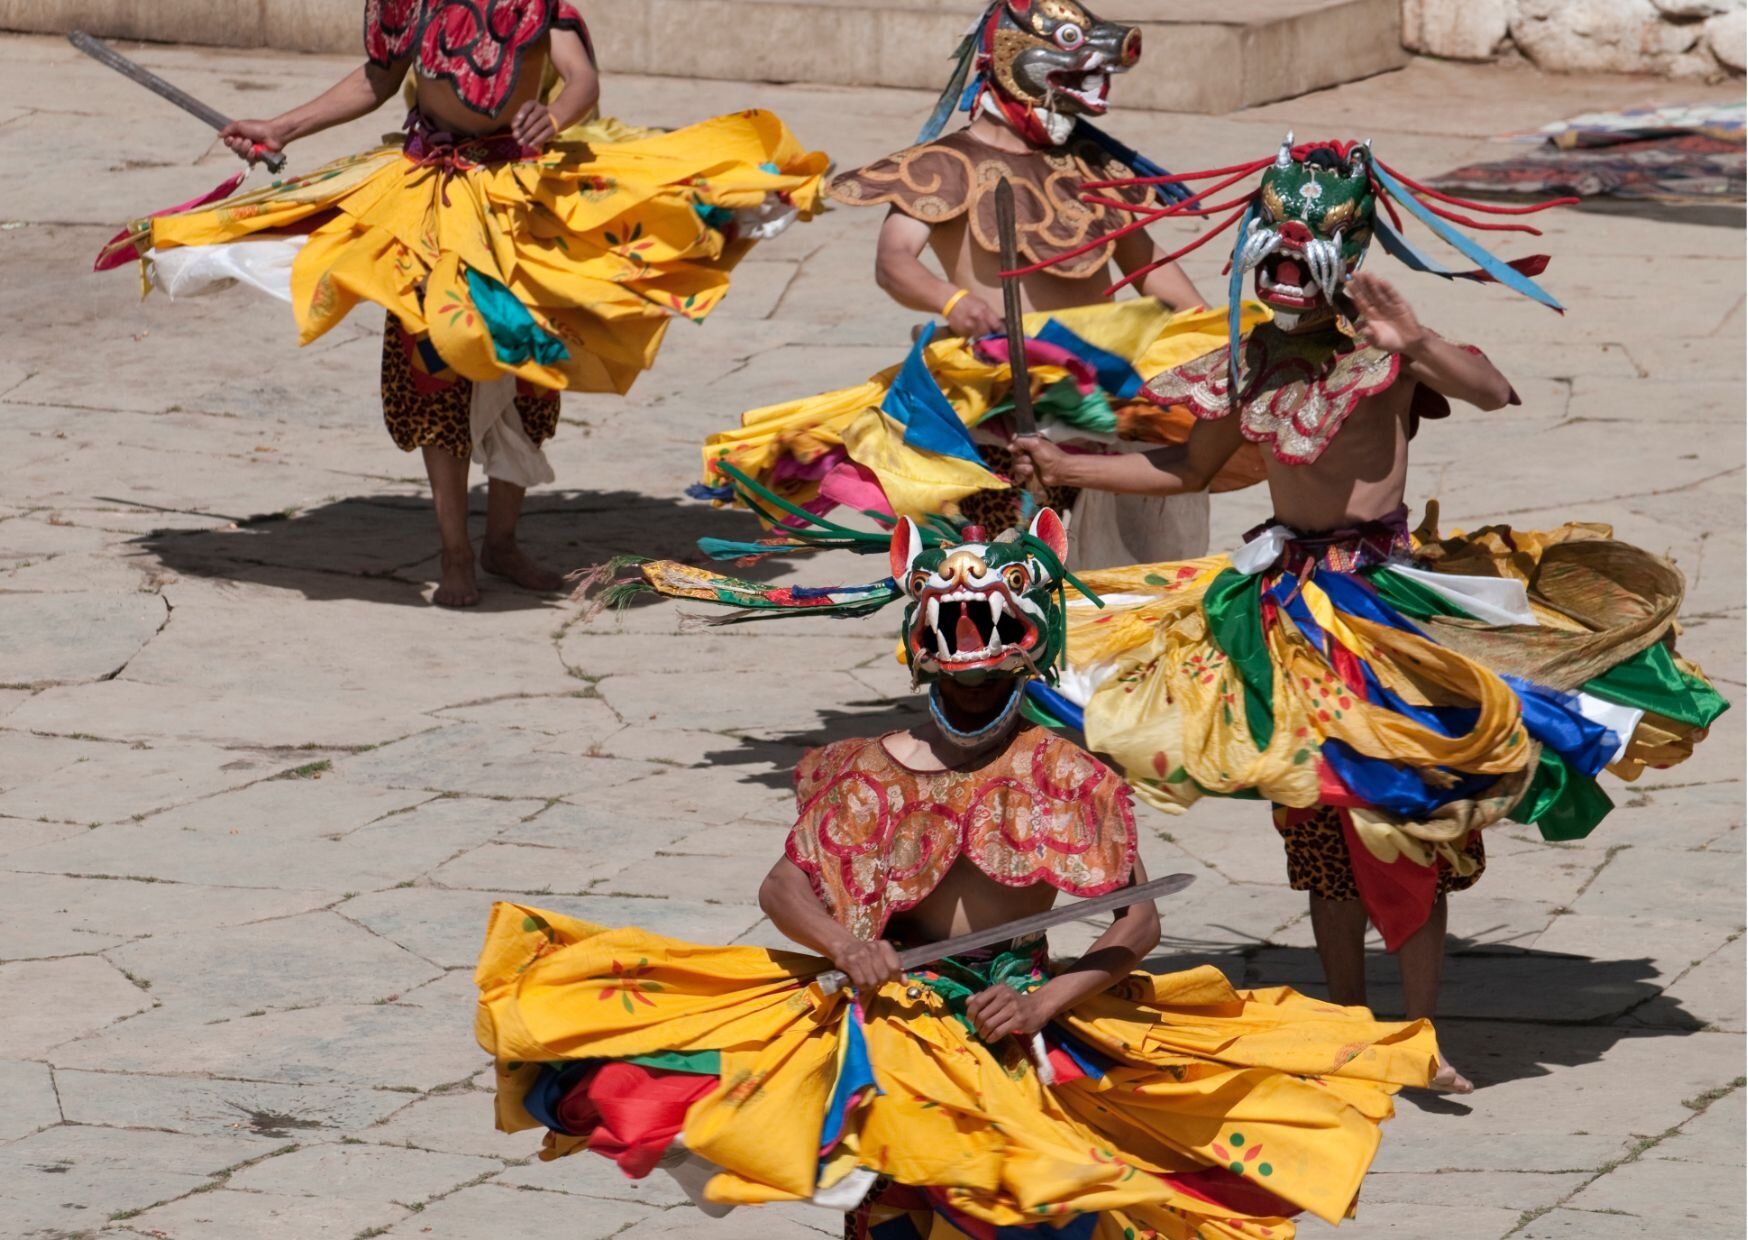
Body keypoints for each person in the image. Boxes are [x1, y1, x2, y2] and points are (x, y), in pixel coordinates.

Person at [480, 509, 1440, 1239]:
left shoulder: (1066, 771)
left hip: (1015, 1011)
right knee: (891, 1204)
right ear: (922, 659)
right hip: (886, 1016)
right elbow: (783, 888)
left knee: (1027, 1204)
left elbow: (1134, 923)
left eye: (988, 670)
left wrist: (1051, 998)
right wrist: (846, 943)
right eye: (954, 668)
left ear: (1026, 657)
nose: (970, 685)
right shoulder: (863, 768)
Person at [1008, 136, 1728, 1092]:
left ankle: (1420, 1035)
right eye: (1269, 247)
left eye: (1305, 249)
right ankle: (1347, 1023)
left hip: (1381, 608)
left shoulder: (1380, 357)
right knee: (1314, 817)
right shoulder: (1249, 362)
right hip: (1277, 603)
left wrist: (1417, 340)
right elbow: (1182, 470)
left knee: (1409, 822)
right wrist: (1065, 466)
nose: (1282, 268)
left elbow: (1496, 390)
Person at [98, 1, 827, 607]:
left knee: (529, 366)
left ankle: (504, 542)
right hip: (430, 195)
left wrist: (557, 115)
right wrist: (282, 126)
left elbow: (580, 78)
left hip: (521, 196)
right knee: (432, 368)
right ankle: (454, 553)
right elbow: (377, 80)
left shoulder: (540, 4)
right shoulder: (404, 3)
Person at [696, 0, 1255, 570]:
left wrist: (1217, 346)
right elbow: (894, 261)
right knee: (1008, 568)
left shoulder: (1097, 167)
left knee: (1123, 573)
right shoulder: (943, 164)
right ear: (1013, 60)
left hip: (1107, 392)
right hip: (1001, 397)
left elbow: (1155, 274)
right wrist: (953, 301)